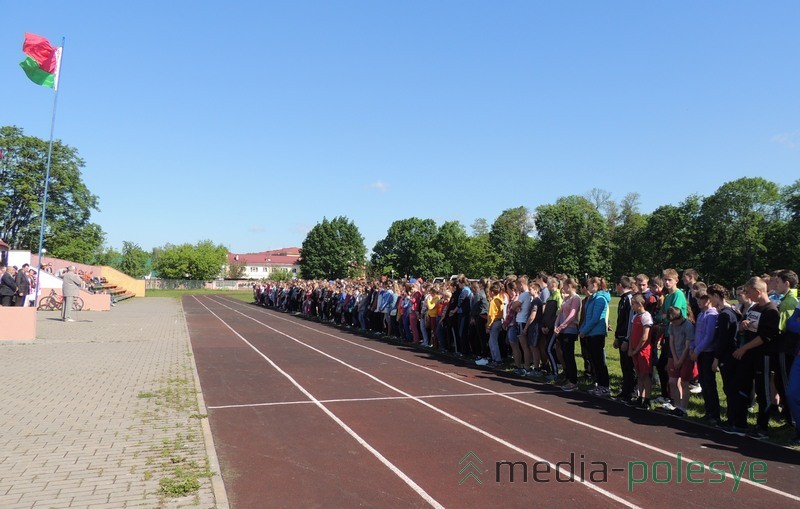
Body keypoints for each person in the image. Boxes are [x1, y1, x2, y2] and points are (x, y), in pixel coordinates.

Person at [730, 277, 781, 439]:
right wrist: (743, 326)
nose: (747, 295)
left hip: (762, 355)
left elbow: (766, 337)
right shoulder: (754, 308)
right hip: (748, 356)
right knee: (740, 385)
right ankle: (740, 423)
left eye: (749, 292)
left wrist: (744, 348)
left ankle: (762, 427)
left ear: (758, 292)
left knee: (762, 390)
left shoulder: (771, 310)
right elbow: (748, 327)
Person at [689, 291, 720, 425]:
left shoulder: (712, 315)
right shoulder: (701, 314)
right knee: (703, 381)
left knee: (709, 383)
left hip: (707, 353)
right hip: (700, 352)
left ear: (708, 300)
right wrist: (692, 347)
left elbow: (709, 336)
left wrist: (697, 350)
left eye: (701, 299)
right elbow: (697, 333)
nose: (698, 302)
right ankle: (708, 411)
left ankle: (715, 413)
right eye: (697, 299)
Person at [580, 277, 611, 396]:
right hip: (590, 333)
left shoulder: (600, 299)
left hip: (597, 334)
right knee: (594, 361)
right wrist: (583, 329)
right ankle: (599, 384)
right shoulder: (591, 299)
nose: (587, 287)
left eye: (589, 285)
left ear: (595, 285)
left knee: (599, 361)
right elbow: (587, 317)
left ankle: (605, 386)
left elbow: (595, 318)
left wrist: (584, 330)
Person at [666, 306, 695, 417]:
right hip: (675, 356)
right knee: (672, 382)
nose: (673, 324)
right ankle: (677, 405)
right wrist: (675, 358)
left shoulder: (688, 326)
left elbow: (688, 346)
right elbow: (671, 342)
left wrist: (680, 360)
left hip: (686, 358)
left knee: (684, 383)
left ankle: (683, 408)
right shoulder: (672, 325)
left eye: (674, 322)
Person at [627, 293, 654, 409]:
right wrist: (630, 348)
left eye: (633, 304)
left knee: (644, 374)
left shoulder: (646, 316)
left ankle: (647, 399)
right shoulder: (635, 316)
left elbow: (645, 337)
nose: (632, 306)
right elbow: (632, 333)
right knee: (639, 374)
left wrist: (636, 349)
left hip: (643, 351)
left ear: (639, 304)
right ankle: (640, 397)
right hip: (634, 350)